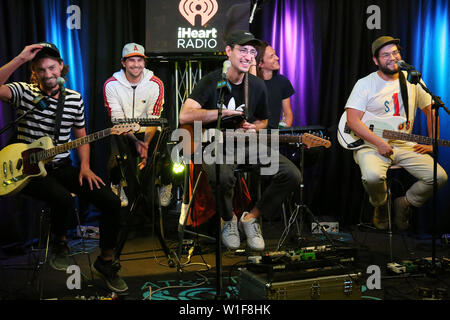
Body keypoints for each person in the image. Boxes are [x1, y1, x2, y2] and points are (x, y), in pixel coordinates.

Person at [0, 42, 128, 292]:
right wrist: (19, 58)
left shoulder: (74, 98)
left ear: (61, 66)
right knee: (64, 199)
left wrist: (86, 166)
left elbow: (81, 134)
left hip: (61, 165)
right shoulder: (24, 92)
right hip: (26, 169)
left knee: (111, 202)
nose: (48, 74)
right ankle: (60, 242)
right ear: (33, 72)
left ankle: (106, 261)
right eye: (41, 70)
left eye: (52, 67)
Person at [179, 30, 301, 251]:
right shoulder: (211, 80)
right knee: (223, 176)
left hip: (245, 145)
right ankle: (228, 219)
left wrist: (254, 128)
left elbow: (263, 121)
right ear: (228, 51)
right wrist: (221, 114)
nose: (248, 56)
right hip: (214, 144)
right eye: (242, 50)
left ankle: (250, 218)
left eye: (252, 52)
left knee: (291, 174)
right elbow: (184, 115)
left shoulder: (256, 85)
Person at [345, 36, 447, 230]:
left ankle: (406, 203)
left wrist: (432, 142)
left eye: (395, 52)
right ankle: (381, 204)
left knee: (439, 177)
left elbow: (431, 110)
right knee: (372, 177)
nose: (392, 57)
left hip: (403, 144)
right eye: (385, 55)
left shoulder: (412, 81)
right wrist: (380, 143)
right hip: (371, 144)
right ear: (376, 60)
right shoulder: (365, 84)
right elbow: (352, 121)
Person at [103, 43, 172, 209]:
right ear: (123, 62)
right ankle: (117, 183)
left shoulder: (155, 83)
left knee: (165, 149)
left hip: (148, 132)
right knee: (114, 143)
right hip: (125, 133)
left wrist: (146, 144)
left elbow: (154, 117)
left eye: (139, 60)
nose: (136, 64)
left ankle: (166, 183)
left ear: (144, 62)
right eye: (131, 60)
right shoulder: (111, 84)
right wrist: (136, 142)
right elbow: (117, 119)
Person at [252, 41, 295, 129]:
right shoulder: (251, 83)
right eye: (272, 56)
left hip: (273, 136)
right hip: (252, 134)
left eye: (275, 54)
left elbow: (287, 114)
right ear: (260, 63)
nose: (277, 58)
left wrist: (282, 133)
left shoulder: (283, 81)